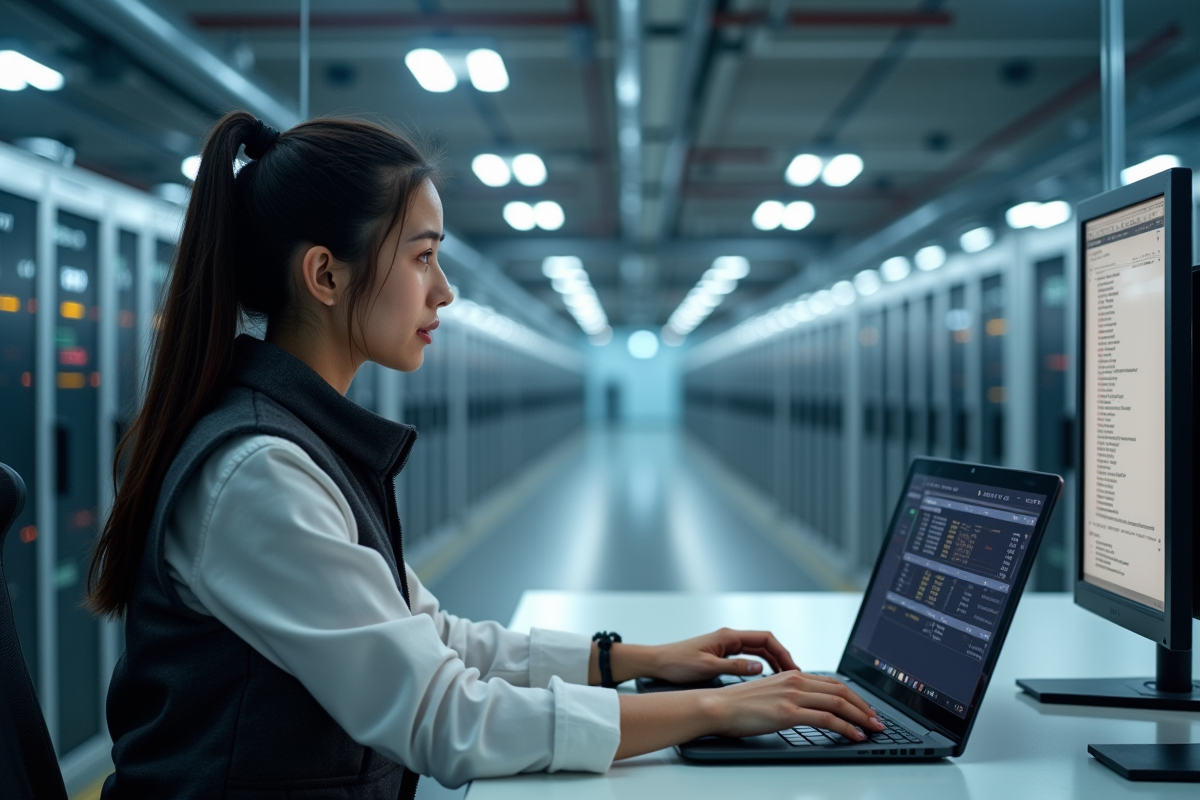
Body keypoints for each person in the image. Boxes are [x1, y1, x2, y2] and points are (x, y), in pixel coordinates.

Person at [88, 112, 883, 799]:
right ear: (326, 274)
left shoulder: (298, 446)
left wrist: (644, 660)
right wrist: (718, 711)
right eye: (422, 257)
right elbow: (444, 719)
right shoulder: (259, 472)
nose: (444, 292)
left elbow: (440, 642)